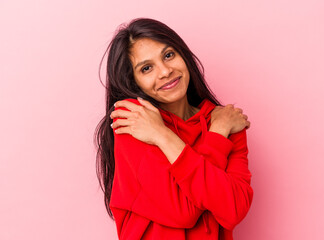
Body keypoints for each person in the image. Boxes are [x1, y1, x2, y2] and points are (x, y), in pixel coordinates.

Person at [95, 17, 253, 240]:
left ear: (184, 56)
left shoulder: (225, 120)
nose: (165, 71)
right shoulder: (134, 121)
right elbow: (183, 212)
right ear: (133, 82)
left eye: (169, 55)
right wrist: (164, 132)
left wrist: (214, 130)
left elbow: (235, 209)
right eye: (146, 68)